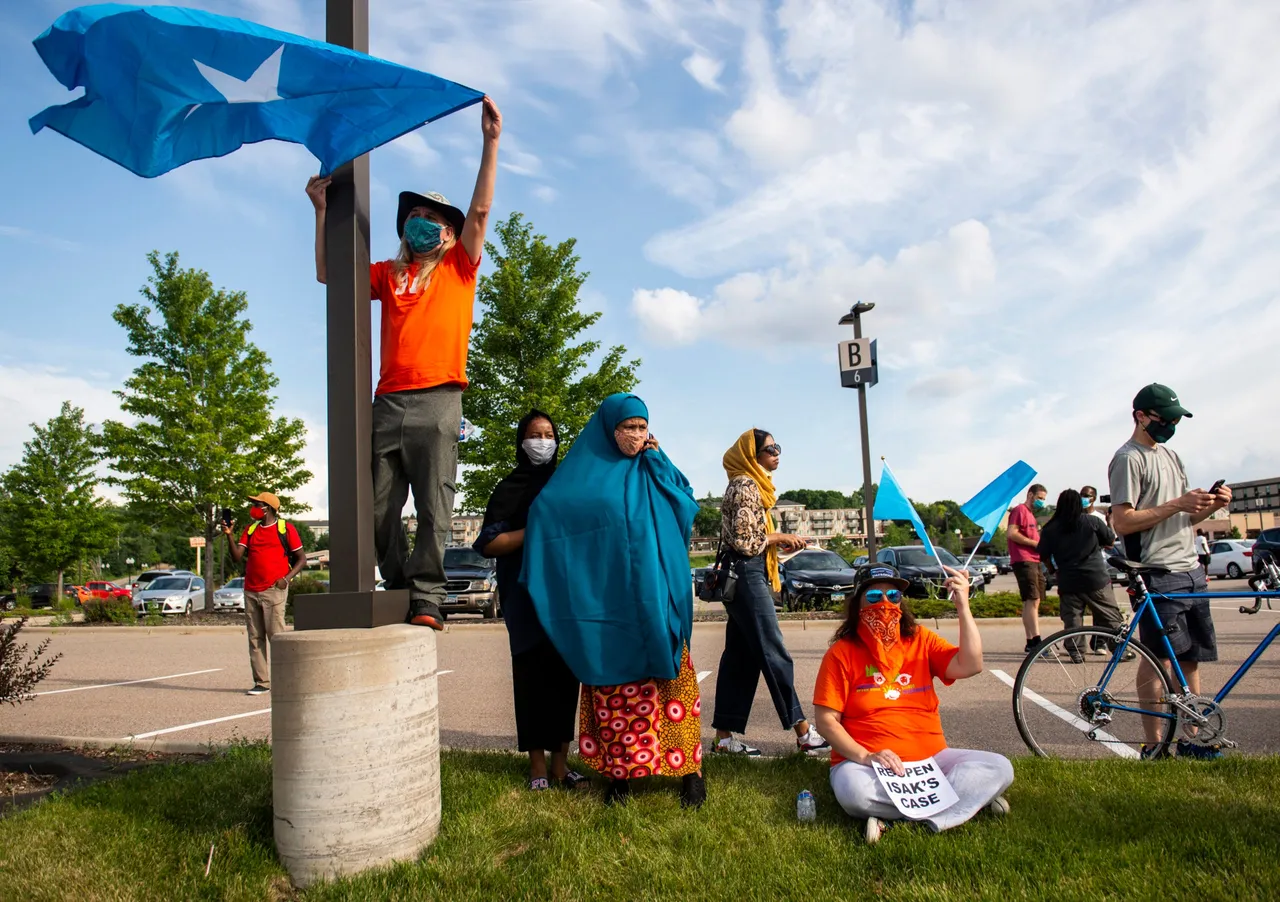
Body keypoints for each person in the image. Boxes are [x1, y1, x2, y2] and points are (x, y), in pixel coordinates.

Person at [305, 96, 502, 630]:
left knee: (437, 505)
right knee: (375, 509)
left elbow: (480, 212)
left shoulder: (460, 267)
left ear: (447, 233)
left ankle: (428, 599)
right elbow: (330, 276)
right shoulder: (388, 274)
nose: (423, 223)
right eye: (414, 215)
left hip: (440, 397)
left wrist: (490, 142)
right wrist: (321, 213)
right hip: (388, 401)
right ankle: (397, 583)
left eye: (434, 219)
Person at [521, 393, 706, 808]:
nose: (635, 435)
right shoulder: (585, 474)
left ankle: (691, 773)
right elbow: (551, 514)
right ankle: (621, 775)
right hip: (611, 605)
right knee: (616, 690)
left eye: (642, 427)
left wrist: (659, 460)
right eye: (628, 428)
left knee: (673, 684)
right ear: (609, 429)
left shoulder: (653, 466)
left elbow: (685, 505)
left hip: (658, 598)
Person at [813, 563, 1013, 844]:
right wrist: (866, 756)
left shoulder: (921, 639)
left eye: (893, 596)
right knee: (853, 791)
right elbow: (826, 721)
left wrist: (963, 608)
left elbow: (970, 664)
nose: (885, 604)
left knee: (1000, 767)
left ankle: (906, 818)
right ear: (856, 602)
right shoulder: (841, 654)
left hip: (931, 762)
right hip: (869, 766)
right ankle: (962, 806)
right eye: (873, 597)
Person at [1108, 383, 1231, 759]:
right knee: (1158, 660)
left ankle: (1192, 738)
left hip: (1190, 568)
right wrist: (1178, 502)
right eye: (1166, 419)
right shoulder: (1129, 459)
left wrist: (1210, 506)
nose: (1171, 426)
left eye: (1176, 420)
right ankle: (1154, 743)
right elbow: (1123, 522)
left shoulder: (1172, 455)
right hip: (1155, 571)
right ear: (1141, 416)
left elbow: (1185, 518)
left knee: (1190, 658)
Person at [474, 410, 587, 791]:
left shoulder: (566, 485)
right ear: (521, 441)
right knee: (531, 678)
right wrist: (534, 530)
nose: (543, 441)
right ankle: (537, 765)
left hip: (565, 597)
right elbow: (489, 542)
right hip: (524, 599)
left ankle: (561, 764)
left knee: (564, 678)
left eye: (549, 434)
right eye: (535, 434)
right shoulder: (509, 489)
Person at [711, 428, 830, 757]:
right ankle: (804, 733)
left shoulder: (749, 484)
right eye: (770, 449)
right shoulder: (746, 485)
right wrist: (777, 538)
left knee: (741, 657)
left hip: (744, 575)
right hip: (747, 575)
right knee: (773, 651)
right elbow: (746, 542)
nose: (777, 453)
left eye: (778, 447)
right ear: (753, 455)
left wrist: (777, 538)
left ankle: (723, 738)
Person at [222, 491, 306, 696]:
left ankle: (284, 680)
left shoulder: (285, 528)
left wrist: (286, 579)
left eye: (257, 505)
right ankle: (262, 682)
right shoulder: (250, 530)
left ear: (268, 508)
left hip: (273, 590)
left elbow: (301, 559)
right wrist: (229, 535)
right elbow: (237, 557)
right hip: (251, 590)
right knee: (255, 637)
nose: (254, 508)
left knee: (276, 637)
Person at [1037, 488, 1130, 664]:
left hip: (1068, 580)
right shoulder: (1091, 522)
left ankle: (1076, 652)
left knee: (1072, 619)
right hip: (1095, 578)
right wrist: (1109, 522)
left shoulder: (1051, 528)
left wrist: (1052, 570)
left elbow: (1043, 555)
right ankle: (1120, 650)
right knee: (1110, 616)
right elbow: (1110, 541)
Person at [1007, 484, 1049, 654]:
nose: (1041, 502)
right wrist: (1034, 543)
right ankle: (1037, 641)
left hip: (1034, 560)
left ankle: (1031, 640)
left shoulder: (1031, 515)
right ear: (1030, 495)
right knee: (1033, 600)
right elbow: (1011, 533)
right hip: (1024, 560)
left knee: (1030, 602)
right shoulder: (1019, 510)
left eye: (1044, 499)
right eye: (1039, 498)